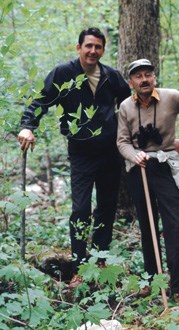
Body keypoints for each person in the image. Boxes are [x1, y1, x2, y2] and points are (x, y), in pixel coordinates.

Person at [17, 27, 131, 288]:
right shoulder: (64, 73)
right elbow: (41, 101)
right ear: (78, 47)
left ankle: (100, 261)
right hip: (81, 154)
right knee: (80, 209)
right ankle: (79, 267)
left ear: (103, 50)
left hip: (110, 153)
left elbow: (130, 105)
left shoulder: (111, 76)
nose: (93, 51)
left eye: (98, 47)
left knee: (106, 207)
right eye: (88, 46)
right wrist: (28, 126)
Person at [116, 59, 179, 296]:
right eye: (138, 76)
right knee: (147, 226)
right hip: (140, 170)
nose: (144, 79)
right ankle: (151, 281)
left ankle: (178, 281)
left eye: (148, 74)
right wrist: (134, 156)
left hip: (166, 166)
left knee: (174, 224)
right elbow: (122, 141)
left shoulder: (172, 96)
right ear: (131, 82)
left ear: (154, 78)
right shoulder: (125, 107)